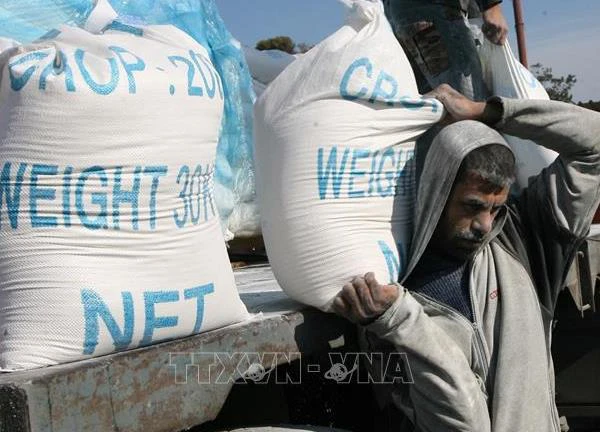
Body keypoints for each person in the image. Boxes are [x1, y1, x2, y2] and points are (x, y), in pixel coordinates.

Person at [333, 84, 600, 431]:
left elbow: (593, 144)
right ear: (439, 189)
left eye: (495, 208)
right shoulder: (395, 289)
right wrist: (401, 323)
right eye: (473, 206)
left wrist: (486, 112)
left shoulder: (524, 239)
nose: (485, 225)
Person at [383, 0, 509, 100]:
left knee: (433, 109)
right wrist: (491, 6)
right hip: (435, 13)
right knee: (469, 104)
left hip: (398, 15)